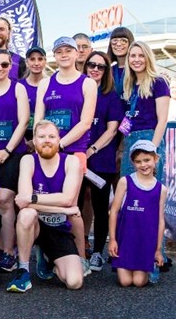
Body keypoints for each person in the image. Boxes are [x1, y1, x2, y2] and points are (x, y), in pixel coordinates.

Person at [34, 36, 97, 272]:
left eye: (68, 50)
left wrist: (60, 145)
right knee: (43, 206)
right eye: (59, 51)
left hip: (73, 152)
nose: (64, 55)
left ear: (75, 54)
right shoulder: (45, 83)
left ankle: (80, 256)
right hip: (46, 152)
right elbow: (39, 120)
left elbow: (85, 122)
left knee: (70, 207)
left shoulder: (87, 83)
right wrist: (43, 144)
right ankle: (45, 253)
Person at [8, 120, 84, 293]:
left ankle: (49, 256)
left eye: (51, 136)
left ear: (59, 140)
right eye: (42, 137)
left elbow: (67, 199)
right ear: (34, 141)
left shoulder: (71, 161)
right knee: (26, 214)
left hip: (59, 228)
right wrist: (64, 209)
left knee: (74, 282)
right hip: (36, 225)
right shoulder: (28, 160)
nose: (47, 140)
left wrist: (33, 199)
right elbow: (23, 203)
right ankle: (23, 270)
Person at [0, 49, 30, 273]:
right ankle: (0, 249)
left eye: (4, 64)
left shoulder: (18, 88)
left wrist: (7, 150)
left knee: (5, 199)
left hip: (13, 153)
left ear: (11, 66)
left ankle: (10, 252)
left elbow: (23, 121)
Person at [82, 51, 124, 271]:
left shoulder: (111, 97)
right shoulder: (77, 91)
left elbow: (112, 130)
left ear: (107, 71)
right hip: (75, 158)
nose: (95, 69)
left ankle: (98, 252)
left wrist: (91, 150)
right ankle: (77, 251)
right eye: (92, 65)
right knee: (74, 206)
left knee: (100, 208)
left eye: (101, 66)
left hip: (101, 159)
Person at [109, 140, 167, 287]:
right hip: (126, 240)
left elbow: (160, 220)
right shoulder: (125, 182)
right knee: (125, 282)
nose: (143, 165)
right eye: (138, 161)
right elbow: (114, 211)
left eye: (147, 160)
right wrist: (113, 240)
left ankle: (149, 266)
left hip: (146, 241)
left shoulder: (161, 189)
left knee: (139, 282)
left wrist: (158, 249)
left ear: (156, 159)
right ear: (133, 163)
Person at [119, 41, 169, 179]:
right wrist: (121, 147)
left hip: (149, 139)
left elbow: (163, 119)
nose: (137, 60)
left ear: (148, 58)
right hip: (129, 141)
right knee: (128, 186)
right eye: (133, 56)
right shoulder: (128, 85)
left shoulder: (159, 82)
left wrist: (152, 150)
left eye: (141, 55)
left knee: (149, 187)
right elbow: (127, 118)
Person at [20, 46, 47, 148]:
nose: (36, 63)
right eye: (32, 59)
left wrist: (36, 140)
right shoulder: (19, 86)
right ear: (27, 62)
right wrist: (23, 141)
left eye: (40, 59)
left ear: (45, 62)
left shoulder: (51, 84)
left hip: (44, 138)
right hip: (21, 138)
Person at [106, 26, 135, 99]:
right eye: (114, 41)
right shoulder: (108, 71)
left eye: (123, 41)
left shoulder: (137, 69)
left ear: (130, 43)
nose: (118, 44)